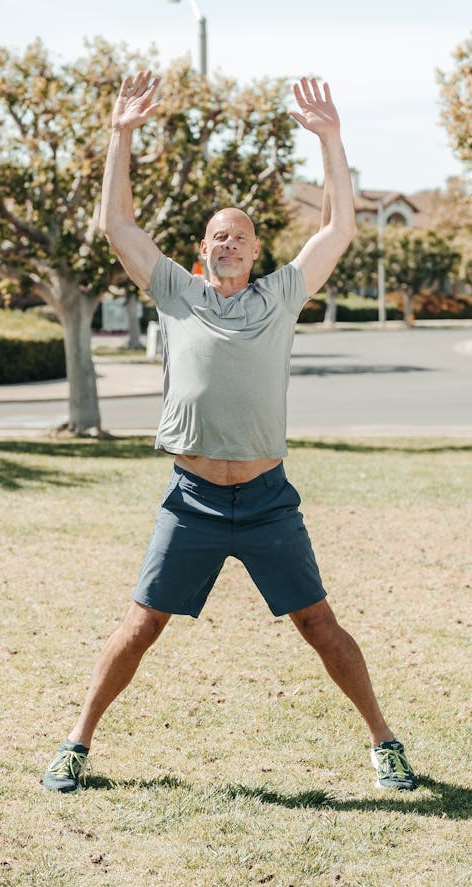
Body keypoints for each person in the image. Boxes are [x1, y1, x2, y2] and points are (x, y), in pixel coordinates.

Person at [43, 70, 416, 793]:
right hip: (193, 500)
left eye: (241, 236)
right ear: (202, 250)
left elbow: (338, 228)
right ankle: (76, 744)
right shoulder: (176, 293)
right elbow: (117, 226)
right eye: (218, 235)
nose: (230, 243)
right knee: (141, 625)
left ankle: (385, 743)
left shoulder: (281, 296)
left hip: (268, 499)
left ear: (255, 250)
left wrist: (331, 140)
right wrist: (121, 134)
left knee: (319, 625)